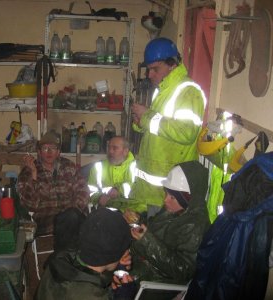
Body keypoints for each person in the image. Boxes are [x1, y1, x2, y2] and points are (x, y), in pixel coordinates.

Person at [130, 37, 207, 215]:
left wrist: (147, 116)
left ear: (172, 64)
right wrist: (140, 122)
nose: (150, 75)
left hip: (170, 191)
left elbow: (186, 132)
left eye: (155, 69)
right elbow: (161, 125)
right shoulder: (164, 89)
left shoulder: (188, 91)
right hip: (152, 190)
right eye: (149, 70)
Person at [130, 160, 210, 291]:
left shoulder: (195, 226)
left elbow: (183, 271)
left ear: (188, 199)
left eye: (172, 197)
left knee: (123, 286)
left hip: (160, 281)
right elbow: (155, 226)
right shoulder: (175, 208)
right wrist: (139, 219)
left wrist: (147, 241)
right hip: (145, 262)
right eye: (166, 194)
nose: (165, 200)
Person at [35, 207, 135, 300]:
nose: (126, 252)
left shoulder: (59, 259)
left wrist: (114, 268)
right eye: (125, 248)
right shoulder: (91, 296)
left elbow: (88, 276)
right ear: (113, 256)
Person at [17, 131, 89, 235]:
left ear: (58, 151)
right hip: (46, 220)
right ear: (39, 151)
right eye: (45, 148)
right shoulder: (28, 171)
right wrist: (34, 173)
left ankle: (70, 249)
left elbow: (83, 190)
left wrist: (74, 209)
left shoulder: (69, 166)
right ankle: (70, 249)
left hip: (73, 213)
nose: (49, 152)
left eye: (53, 148)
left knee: (94, 218)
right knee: (73, 223)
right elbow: (30, 205)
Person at [87, 136, 137, 210]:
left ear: (125, 151)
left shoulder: (137, 167)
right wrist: (99, 197)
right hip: (104, 211)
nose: (110, 151)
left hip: (131, 212)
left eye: (115, 148)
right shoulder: (98, 167)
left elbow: (138, 189)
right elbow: (90, 191)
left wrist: (118, 190)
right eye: (109, 147)